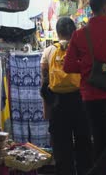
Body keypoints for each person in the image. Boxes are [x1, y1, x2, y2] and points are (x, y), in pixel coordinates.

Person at [64, 0, 106, 175]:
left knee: (99, 141)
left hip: (89, 96)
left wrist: (87, 68)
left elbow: (68, 66)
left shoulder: (79, 34)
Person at [40, 17, 93, 175]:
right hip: (80, 101)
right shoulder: (82, 50)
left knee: (62, 146)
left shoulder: (49, 51)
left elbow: (45, 83)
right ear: (74, 31)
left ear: (58, 32)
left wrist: (46, 110)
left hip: (58, 103)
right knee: (84, 143)